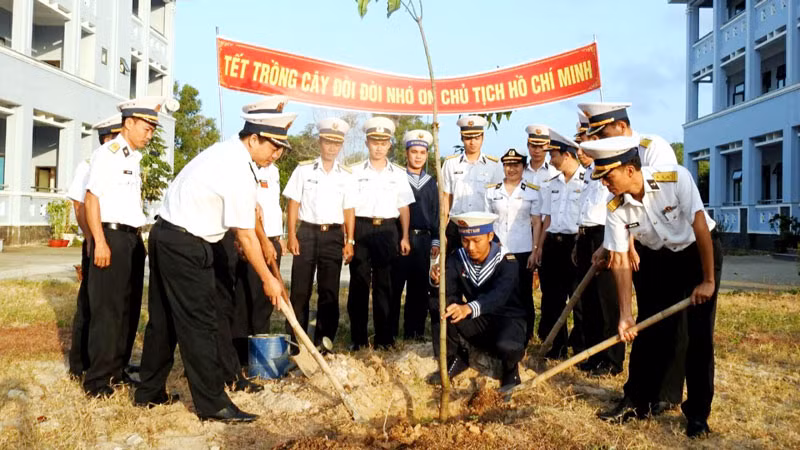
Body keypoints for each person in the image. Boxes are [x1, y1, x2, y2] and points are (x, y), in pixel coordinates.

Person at [134, 109, 293, 423]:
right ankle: (213, 405)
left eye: (281, 150)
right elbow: (245, 235)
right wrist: (268, 280)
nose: (276, 155)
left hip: (167, 235)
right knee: (202, 325)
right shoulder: (236, 167)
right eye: (273, 147)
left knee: (164, 321)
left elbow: (247, 223)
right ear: (254, 138)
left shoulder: (226, 154)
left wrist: (263, 247)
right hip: (185, 244)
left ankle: (149, 393)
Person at [583, 136, 722, 438]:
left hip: (697, 252)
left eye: (608, 176)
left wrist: (708, 281)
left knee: (698, 336)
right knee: (648, 328)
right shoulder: (616, 206)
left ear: (631, 170)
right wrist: (624, 314)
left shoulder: (674, 178)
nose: (604, 183)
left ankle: (697, 414)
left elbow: (700, 226)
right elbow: (619, 260)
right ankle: (636, 401)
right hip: (660, 257)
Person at [82, 97, 170, 397]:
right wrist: (100, 242)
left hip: (132, 238)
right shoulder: (108, 154)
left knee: (128, 310)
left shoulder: (133, 157)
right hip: (112, 237)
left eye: (152, 130)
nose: (149, 134)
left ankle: (116, 371)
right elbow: (92, 199)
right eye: (146, 128)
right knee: (107, 311)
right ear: (129, 123)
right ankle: (97, 380)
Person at [426, 211, 527, 393]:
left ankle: (511, 371)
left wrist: (468, 308)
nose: (470, 247)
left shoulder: (507, 262)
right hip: (477, 321)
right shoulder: (459, 257)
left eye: (476, 241)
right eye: (466, 241)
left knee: (507, 346)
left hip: (507, 321)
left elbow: (499, 296)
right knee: (438, 302)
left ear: (490, 236)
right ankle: (455, 357)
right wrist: (437, 279)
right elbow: (447, 288)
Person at [283, 117, 356, 349]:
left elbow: (349, 209)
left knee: (329, 292)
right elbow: (293, 204)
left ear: (341, 145)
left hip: (333, 236)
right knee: (300, 291)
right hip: (307, 233)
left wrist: (349, 240)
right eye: (327, 142)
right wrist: (291, 235)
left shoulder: (346, 175)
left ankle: (324, 342)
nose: (332, 148)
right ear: (320, 142)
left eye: (337, 144)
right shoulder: (303, 170)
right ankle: (295, 342)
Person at [347, 116, 415, 350]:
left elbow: (404, 207)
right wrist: (350, 238)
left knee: (385, 286)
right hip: (362, 228)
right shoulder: (354, 172)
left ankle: (384, 338)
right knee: (358, 284)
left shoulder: (397, 174)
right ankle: (358, 339)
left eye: (383, 142)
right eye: (374, 141)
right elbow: (350, 207)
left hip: (388, 230)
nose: (378, 146)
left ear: (389, 145)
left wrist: (405, 236)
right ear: (367, 143)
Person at [67, 113, 121, 379]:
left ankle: (108, 361)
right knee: (90, 303)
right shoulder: (89, 164)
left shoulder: (120, 162)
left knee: (110, 303)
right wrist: (90, 238)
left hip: (112, 237)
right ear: (107, 137)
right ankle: (81, 363)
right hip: (96, 239)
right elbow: (79, 205)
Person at [572, 119, 624, 376]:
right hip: (585, 236)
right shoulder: (588, 174)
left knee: (607, 301)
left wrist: (609, 245)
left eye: (585, 143)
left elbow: (615, 211)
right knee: (589, 301)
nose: (580, 150)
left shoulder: (607, 170)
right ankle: (593, 355)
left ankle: (612, 359)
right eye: (579, 144)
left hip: (604, 237)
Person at [535, 130, 585, 359]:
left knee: (579, 298)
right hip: (553, 245)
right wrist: (539, 248)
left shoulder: (587, 181)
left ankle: (581, 346)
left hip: (575, 244)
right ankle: (556, 346)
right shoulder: (550, 183)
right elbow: (547, 218)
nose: (550, 160)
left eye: (553, 155)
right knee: (552, 298)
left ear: (566, 155)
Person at [484, 148, 539, 342]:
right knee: (498, 290)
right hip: (498, 249)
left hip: (522, 249)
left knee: (522, 292)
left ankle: (525, 333)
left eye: (516, 165)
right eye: (508, 165)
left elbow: (536, 222)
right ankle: (498, 330)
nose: (511, 169)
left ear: (523, 167)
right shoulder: (492, 190)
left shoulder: (532, 191)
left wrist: (535, 251)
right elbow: (487, 220)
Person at [389, 129, 439, 341]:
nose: (418, 156)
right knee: (394, 286)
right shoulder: (396, 178)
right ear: (406, 153)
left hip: (423, 239)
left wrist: (435, 239)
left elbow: (437, 212)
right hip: (401, 236)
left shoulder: (431, 182)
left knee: (419, 289)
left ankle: (414, 333)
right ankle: (389, 334)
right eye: (414, 151)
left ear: (427, 155)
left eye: (422, 152)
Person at [441, 116, 503, 253]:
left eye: (477, 137)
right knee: (453, 268)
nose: (473, 142)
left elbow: (498, 199)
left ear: (483, 138)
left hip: (482, 226)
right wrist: (442, 230)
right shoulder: (450, 163)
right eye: (468, 138)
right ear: (462, 138)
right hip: (456, 225)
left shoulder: (494, 165)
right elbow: (446, 198)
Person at [522, 124, 561, 267]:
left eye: (541, 146)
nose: (537, 150)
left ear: (548, 146)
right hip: (524, 227)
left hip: (546, 229)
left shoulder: (555, 172)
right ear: (528, 146)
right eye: (533, 146)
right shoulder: (520, 172)